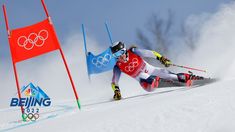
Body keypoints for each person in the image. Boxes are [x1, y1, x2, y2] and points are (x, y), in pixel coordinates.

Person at [110, 41, 203, 100]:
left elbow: (151, 53)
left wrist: (162, 58)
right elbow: (114, 82)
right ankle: (156, 81)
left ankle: (188, 78)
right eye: (116, 55)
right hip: (146, 83)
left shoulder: (133, 51)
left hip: (152, 71)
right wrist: (116, 91)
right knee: (142, 75)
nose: (120, 56)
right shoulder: (118, 66)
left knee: (168, 74)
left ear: (125, 50)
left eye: (121, 52)